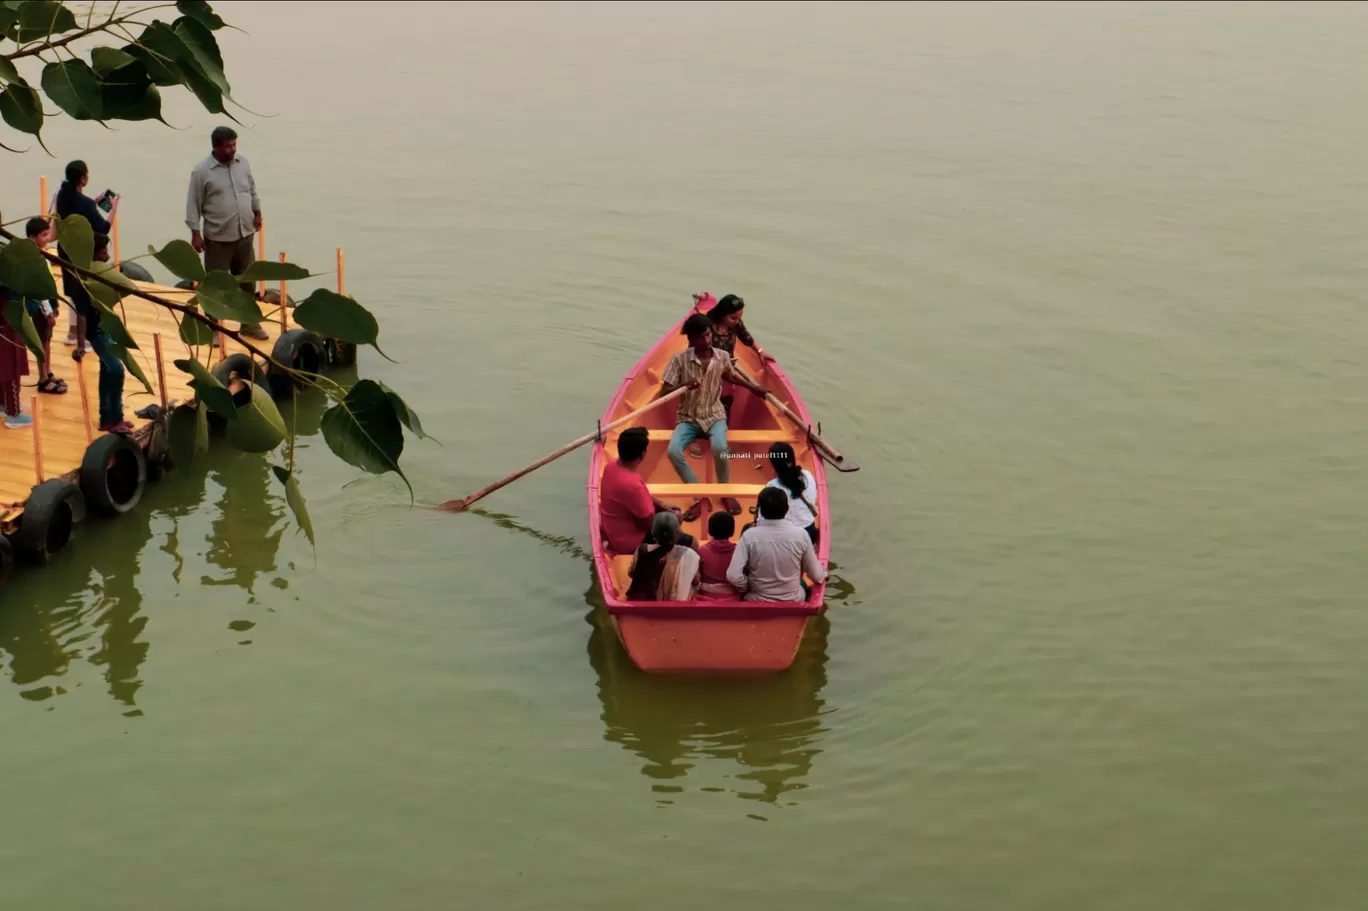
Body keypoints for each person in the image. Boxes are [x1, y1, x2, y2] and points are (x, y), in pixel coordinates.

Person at [656, 312, 770, 515]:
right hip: (688, 418)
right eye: (702, 336)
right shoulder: (679, 360)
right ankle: (700, 496)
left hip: (714, 415)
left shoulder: (722, 356)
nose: (707, 340)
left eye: (708, 334)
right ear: (691, 339)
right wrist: (683, 384)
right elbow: (663, 392)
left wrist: (754, 388)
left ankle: (724, 492)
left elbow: (730, 376)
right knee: (673, 452)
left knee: (720, 448)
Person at [186, 125, 269, 341]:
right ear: (216, 147)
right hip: (218, 238)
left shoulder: (243, 163)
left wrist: (257, 213)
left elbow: (251, 190)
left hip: (244, 234)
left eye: (234, 145)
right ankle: (212, 328)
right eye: (228, 146)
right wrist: (195, 233)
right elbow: (193, 204)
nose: (233, 150)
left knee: (247, 281)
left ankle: (249, 324)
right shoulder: (202, 171)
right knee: (216, 286)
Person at [72, 233, 131, 434]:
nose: (106, 257)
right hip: (96, 331)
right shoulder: (84, 280)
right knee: (116, 369)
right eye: (103, 252)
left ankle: (111, 417)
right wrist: (80, 345)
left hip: (107, 325)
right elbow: (80, 314)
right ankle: (113, 418)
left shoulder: (101, 276)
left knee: (107, 370)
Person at [726, 487, 826, 603]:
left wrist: (746, 587)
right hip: (793, 599)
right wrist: (824, 574)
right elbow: (816, 575)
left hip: (756, 599)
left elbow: (733, 575)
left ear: (761, 511)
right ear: (787, 509)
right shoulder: (801, 535)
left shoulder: (749, 536)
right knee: (802, 583)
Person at [54, 159, 112, 353]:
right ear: (83, 179)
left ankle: (79, 343)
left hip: (65, 251)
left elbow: (79, 211)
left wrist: (92, 204)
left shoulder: (62, 195)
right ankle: (86, 340)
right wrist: (113, 210)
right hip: (82, 255)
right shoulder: (84, 203)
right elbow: (103, 228)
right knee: (86, 298)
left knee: (76, 296)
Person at [600, 426, 683, 555]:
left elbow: (641, 499)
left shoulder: (611, 467)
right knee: (676, 517)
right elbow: (650, 522)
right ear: (643, 454)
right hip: (628, 540)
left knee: (670, 514)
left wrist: (660, 504)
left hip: (613, 528)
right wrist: (676, 532)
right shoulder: (632, 485)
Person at [703, 293, 774, 422]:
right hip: (707, 370)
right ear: (722, 314)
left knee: (724, 408)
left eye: (739, 318)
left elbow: (745, 337)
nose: (737, 322)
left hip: (728, 370)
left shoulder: (735, 325)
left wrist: (760, 351)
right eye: (733, 318)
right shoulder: (706, 328)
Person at [20, 217, 64, 394]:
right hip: (40, 307)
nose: (47, 238)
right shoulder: (35, 258)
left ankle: (47, 371)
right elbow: (40, 289)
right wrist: (49, 312)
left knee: (47, 340)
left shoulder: (41, 255)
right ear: (32, 238)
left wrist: (55, 304)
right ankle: (43, 379)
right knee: (42, 341)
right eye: (44, 235)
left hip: (47, 304)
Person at [626, 511, 700, 602]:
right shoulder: (689, 553)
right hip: (673, 605)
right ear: (678, 532)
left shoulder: (642, 549)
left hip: (641, 603)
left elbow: (631, 573)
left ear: (653, 533)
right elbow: (696, 580)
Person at [764, 442, 818, 544]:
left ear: (773, 464)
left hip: (787, 538)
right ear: (793, 458)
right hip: (809, 533)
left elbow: (763, 519)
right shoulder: (808, 475)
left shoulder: (772, 486)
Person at [0, 288, 33, 429]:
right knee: (10, 368)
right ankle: (13, 414)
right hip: (7, 326)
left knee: (4, 366)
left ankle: (3, 404)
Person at [696, 511, 740, 599]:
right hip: (734, 598)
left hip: (705, 597)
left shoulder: (701, 551)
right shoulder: (739, 551)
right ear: (732, 532)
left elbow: (697, 577)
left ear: (709, 531)